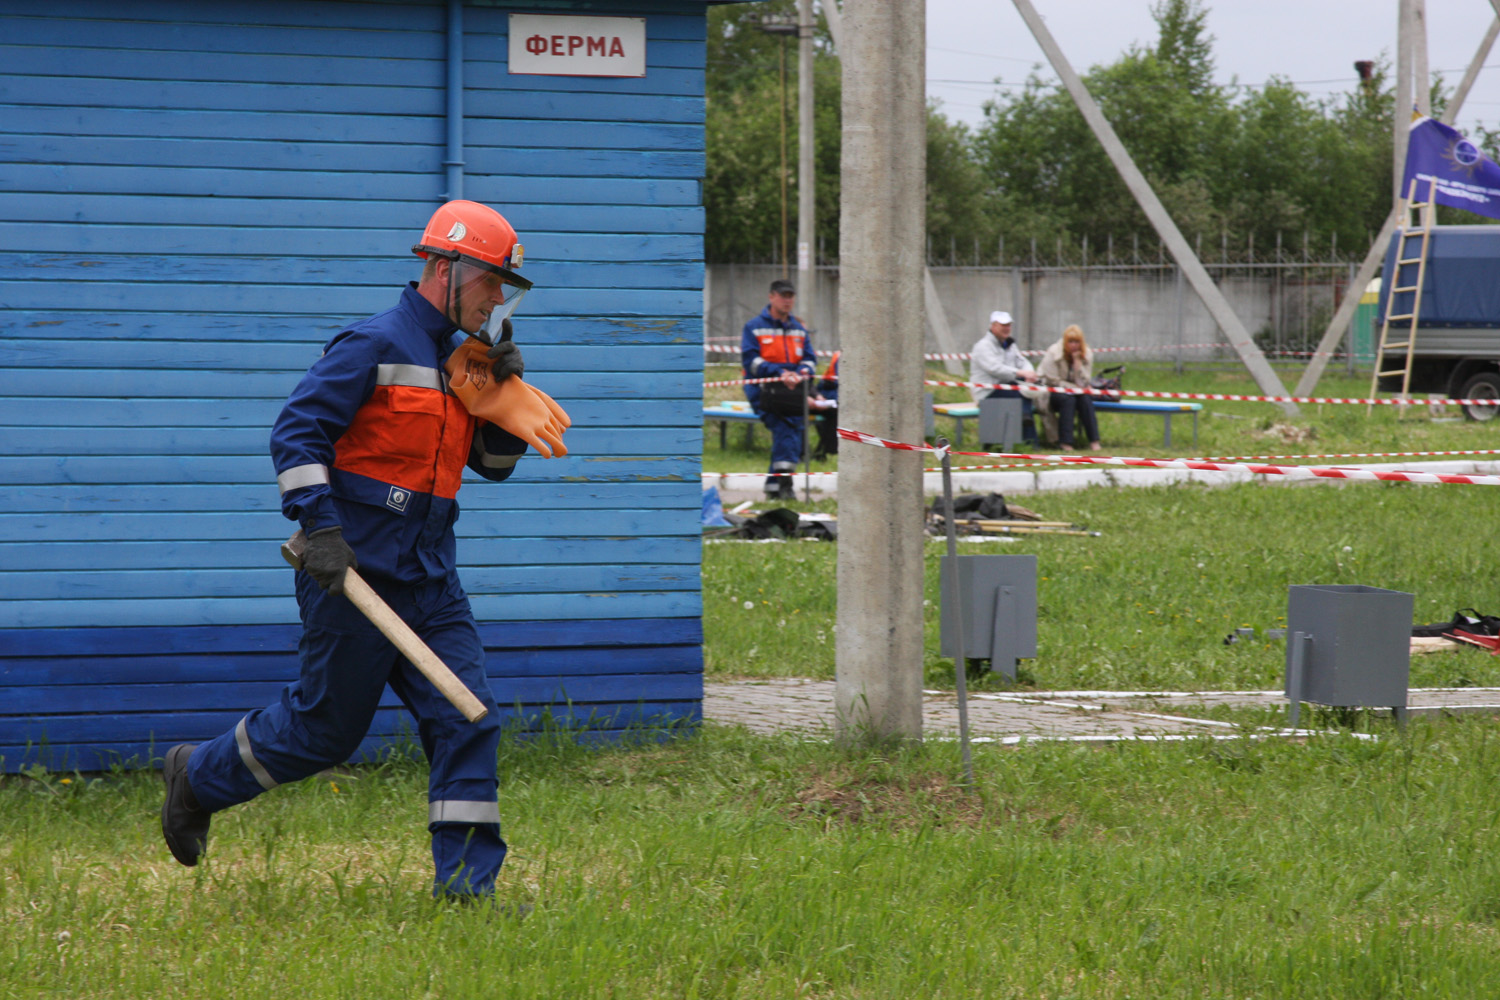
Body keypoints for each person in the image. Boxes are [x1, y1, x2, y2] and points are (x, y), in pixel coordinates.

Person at [160, 200, 547, 903]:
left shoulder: (467, 363)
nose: (497, 299)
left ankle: (468, 894)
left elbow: (491, 468)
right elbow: (296, 433)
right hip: (352, 576)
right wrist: (322, 530)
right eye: (492, 281)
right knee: (323, 733)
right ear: (445, 268)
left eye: (504, 287)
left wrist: (500, 406)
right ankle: (196, 778)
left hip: (431, 581)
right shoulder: (371, 345)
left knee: (470, 717)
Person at [741, 278, 816, 499]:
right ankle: (785, 487)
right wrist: (780, 373)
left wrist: (799, 373)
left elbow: (810, 360)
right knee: (786, 429)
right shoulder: (754, 327)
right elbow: (751, 361)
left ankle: (774, 487)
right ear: (771, 296)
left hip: (792, 389)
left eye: (790, 296)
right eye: (783, 296)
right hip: (764, 390)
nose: (787, 300)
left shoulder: (798, 329)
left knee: (792, 431)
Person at [968, 310, 1039, 445]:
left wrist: (1030, 374)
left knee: (1027, 391)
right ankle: (1030, 441)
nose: (1007, 328)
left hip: (1006, 387)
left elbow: (1022, 362)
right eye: (1003, 325)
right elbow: (995, 369)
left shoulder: (1010, 345)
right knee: (1021, 394)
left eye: (1009, 325)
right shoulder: (983, 346)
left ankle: (1028, 432)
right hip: (987, 391)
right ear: (993, 326)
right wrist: (1021, 373)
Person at [1036, 324, 1102, 451]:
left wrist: (1077, 363)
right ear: (1065, 342)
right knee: (1068, 400)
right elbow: (1052, 380)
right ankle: (1065, 442)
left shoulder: (1087, 354)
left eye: (1077, 342)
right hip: (1051, 390)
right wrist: (1074, 388)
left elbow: (1084, 382)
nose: (1074, 345)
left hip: (1075, 391)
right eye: (1070, 342)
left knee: (1085, 399)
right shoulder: (1054, 352)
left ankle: (1094, 440)